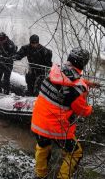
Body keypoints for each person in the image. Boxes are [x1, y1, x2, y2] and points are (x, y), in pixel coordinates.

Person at [31, 48, 93, 179]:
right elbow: (83, 111)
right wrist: (89, 105)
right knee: (76, 153)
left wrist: (85, 83)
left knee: (43, 147)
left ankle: (40, 175)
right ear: (83, 64)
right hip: (56, 128)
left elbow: (64, 82)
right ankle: (63, 177)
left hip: (37, 122)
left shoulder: (54, 71)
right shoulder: (78, 88)